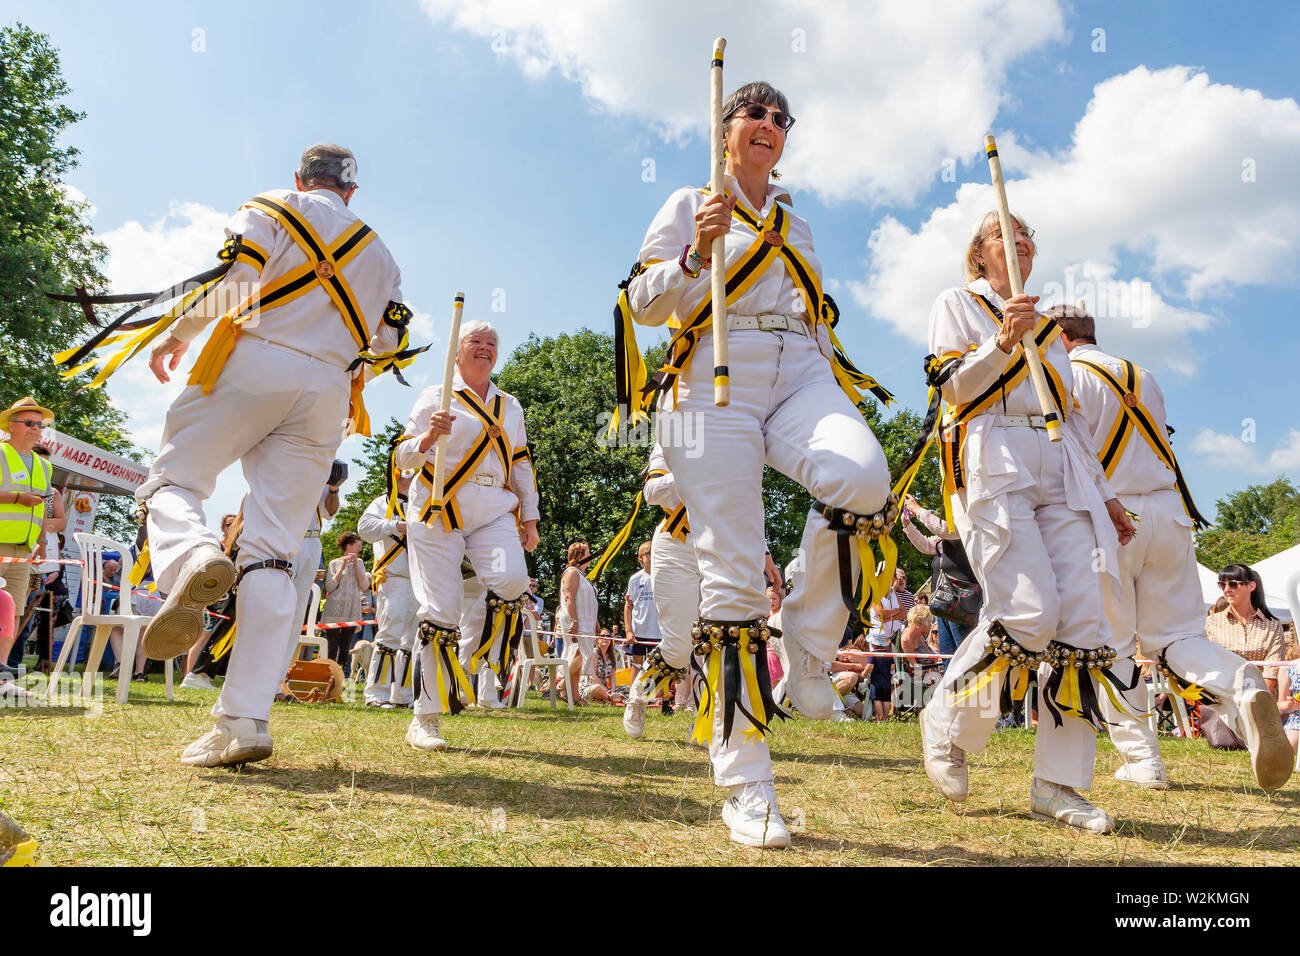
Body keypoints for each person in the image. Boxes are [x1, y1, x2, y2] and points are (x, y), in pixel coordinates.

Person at [623, 80, 896, 848]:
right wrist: (693, 252)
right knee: (736, 575)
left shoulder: (797, 221)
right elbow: (642, 302)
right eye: (757, 115)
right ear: (724, 130)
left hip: (802, 368)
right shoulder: (689, 200)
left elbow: (813, 315)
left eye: (783, 119)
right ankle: (746, 784)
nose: (771, 126)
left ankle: (808, 650)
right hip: (715, 371)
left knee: (865, 481)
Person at [129, 143, 409, 767]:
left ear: (301, 177)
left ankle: (193, 559)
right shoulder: (382, 254)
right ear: (350, 191)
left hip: (254, 360)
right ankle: (245, 719)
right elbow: (389, 343)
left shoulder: (272, 206)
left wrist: (178, 332)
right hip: (327, 392)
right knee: (277, 552)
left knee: (173, 481)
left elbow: (239, 282)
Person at [918, 211, 1138, 834]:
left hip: (1063, 472)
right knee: (1027, 611)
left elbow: (1072, 422)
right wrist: (1003, 342)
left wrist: (1109, 497)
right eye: (1000, 234)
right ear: (978, 254)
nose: (1017, 241)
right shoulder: (957, 303)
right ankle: (949, 720)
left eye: (1025, 235)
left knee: (1082, 625)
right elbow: (953, 389)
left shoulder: (1048, 329)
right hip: (994, 459)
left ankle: (1059, 786)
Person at [1057, 307, 1291, 790]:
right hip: (1169, 513)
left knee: (1114, 646)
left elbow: (1068, 449)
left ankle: (1144, 761)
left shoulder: (1067, 375)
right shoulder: (1144, 376)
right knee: (1178, 638)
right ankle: (1242, 684)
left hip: (1113, 516)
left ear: (1060, 337)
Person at [394, 318, 539, 752]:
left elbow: (521, 465)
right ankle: (425, 718)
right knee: (439, 609)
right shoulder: (434, 396)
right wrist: (426, 437)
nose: (484, 347)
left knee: (514, 580)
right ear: (457, 353)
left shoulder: (510, 405)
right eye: (475, 340)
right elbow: (401, 458)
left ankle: (476, 658)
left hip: (494, 509)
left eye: (492, 342)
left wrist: (529, 516)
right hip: (439, 508)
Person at [0, 397, 56, 682]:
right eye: (30, 423)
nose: (37, 429)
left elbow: (43, 507)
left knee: (13, 611)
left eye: (40, 424)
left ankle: (0, 668)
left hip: (23, 550)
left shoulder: (43, 466)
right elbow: (25, 501)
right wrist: (16, 498)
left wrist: (42, 542)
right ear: (12, 426)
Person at [357, 471, 417, 708]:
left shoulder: (423, 503)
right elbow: (365, 527)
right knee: (390, 635)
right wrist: (395, 525)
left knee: (412, 640)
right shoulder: (384, 502)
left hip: (418, 579)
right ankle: (376, 694)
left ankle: (404, 695)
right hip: (393, 577)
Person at [901, 492, 974, 668]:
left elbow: (944, 529)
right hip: (943, 605)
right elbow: (926, 544)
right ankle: (954, 693)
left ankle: (970, 693)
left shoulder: (966, 525)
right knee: (948, 657)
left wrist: (918, 510)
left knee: (963, 658)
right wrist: (907, 525)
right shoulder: (947, 537)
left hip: (961, 604)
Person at [321, 532, 370, 672]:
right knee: (332, 645)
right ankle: (329, 673)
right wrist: (342, 567)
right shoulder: (334, 563)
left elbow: (364, 586)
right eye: (358, 546)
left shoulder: (359, 563)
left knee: (346, 645)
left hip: (351, 609)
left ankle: (342, 675)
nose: (360, 549)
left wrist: (355, 565)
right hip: (334, 609)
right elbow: (330, 586)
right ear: (349, 546)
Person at [557, 541, 599, 690]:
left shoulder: (582, 575)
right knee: (578, 654)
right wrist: (574, 621)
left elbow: (590, 601)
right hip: (575, 619)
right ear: (580, 555)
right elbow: (569, 597)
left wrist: (596, 624)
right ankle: (562, 685)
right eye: (588, 553)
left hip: (586, 621)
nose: (591, 555)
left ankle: (573, 695)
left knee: (581, 655)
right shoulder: (572, 572)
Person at [623, 540, 659, 683]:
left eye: (654, 552)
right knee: (636, 664)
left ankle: (653, 696)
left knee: (657, 665)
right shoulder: (635, 579)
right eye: (648, 553)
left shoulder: (662, 576)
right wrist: (628, 631)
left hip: (658, 630)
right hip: (639, 631)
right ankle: (633, 694)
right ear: (640, 557)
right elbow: (628, 605)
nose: (652, 556)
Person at [581, 631, 620, 704]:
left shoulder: (611, 656)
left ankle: (607, 698)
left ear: (611, 640)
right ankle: (611, 698)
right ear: (598, 639)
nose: (605, 638)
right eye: (603, 636)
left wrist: (612, 691)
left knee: (628, 688)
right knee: (597, 688)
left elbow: (612, 677)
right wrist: (606, 691)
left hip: (605, 689)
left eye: (608, 636)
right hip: (591, 687)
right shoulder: (594, 653)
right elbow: (593, 677)